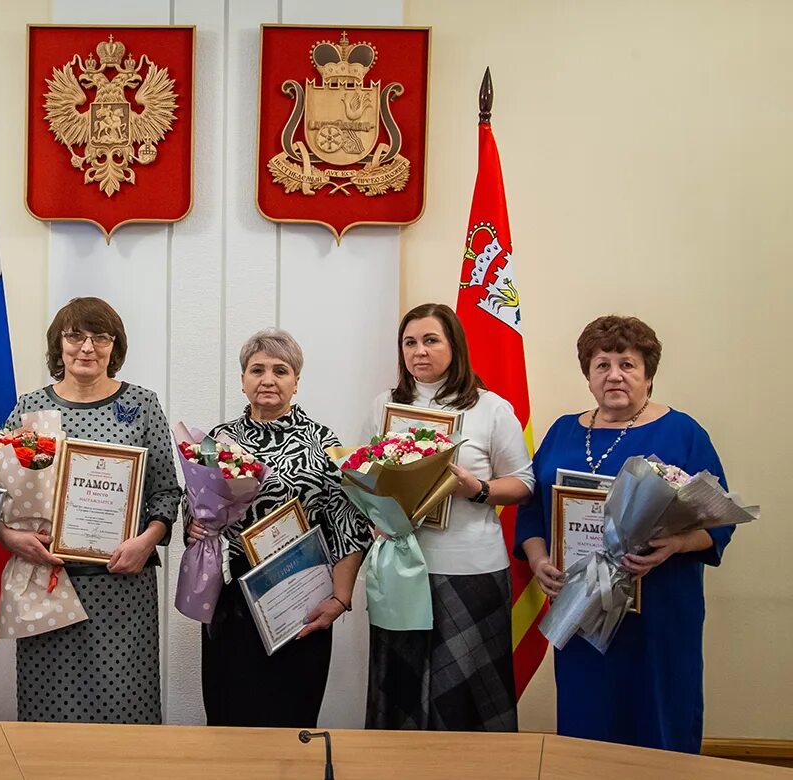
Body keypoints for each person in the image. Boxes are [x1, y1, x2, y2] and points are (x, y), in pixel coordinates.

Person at [515, 315, 735, 753]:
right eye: (602, 365)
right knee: (586, 719)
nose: (614, 375)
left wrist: (676, 544)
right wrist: (539, 560)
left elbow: (719, 519)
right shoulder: (562, 430)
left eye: (627, 364)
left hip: (659, 611)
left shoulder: (683, 432)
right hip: (581, 609)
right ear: (588, 375)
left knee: (659, 718)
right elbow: (532, 512)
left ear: (648, 374)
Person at [0, 297, 181, 724]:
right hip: (47, 583)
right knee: (50, 712)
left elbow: (167, 492)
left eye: (101, 337)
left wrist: (147, 540)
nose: (87, 347)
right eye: (75, 336)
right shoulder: (30, 409)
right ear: (58, 345)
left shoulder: (142, 404)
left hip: (120, 588)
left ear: (114, 347)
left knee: (125, 708)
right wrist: (10, 538)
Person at [186, 328, 369, 727]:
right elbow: (196, 513)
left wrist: (339, 600)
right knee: (228, 717)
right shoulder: (218, 441)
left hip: (300, 601)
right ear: (243, 380)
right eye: (257, 369)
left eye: (280, 370)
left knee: (291, 719)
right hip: (232, 604)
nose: (267, 379)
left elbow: (350, 524)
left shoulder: (323, 443)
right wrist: (194, 528)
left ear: (296, 382)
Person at [366, 303, 534, 732]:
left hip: (471, 571)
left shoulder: (491, 408)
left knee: (463, 699)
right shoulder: (385, 405)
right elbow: (367, 475)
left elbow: (523, 483)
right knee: (401, 688)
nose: (419, 351)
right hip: (402, 569)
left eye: (430, 340)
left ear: (454, 346)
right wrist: (373, 514)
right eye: (409, 342)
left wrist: (476, 489)